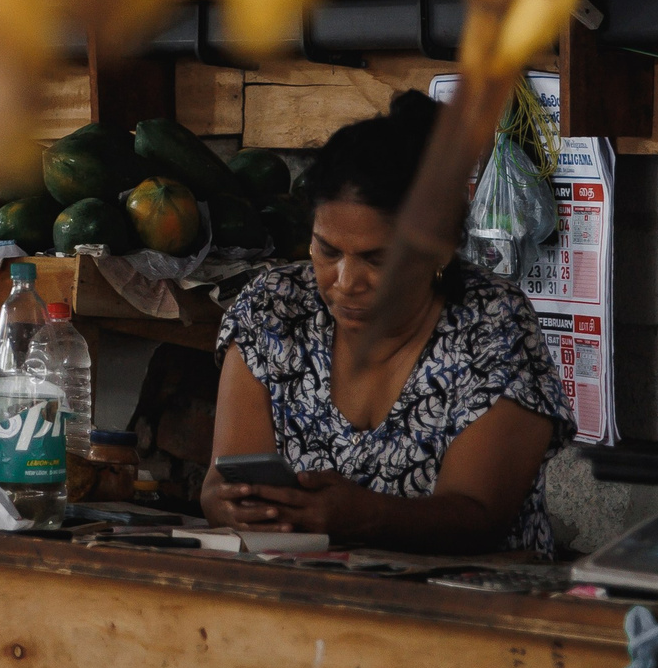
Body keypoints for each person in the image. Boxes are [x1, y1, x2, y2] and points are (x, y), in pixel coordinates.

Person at [201, 90, 571, 555]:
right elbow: (219, 484)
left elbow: (480, 517)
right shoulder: (273, 310)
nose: (345, 282)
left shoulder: (493, 325)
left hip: (461, 597)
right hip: (297, 593)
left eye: (378, 260)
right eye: (327, 251)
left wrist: (365, 516)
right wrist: (232, 505)